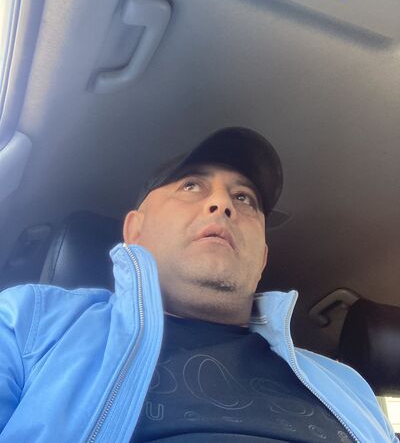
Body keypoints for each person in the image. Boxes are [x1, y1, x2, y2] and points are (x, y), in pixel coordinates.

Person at [0, 127, 396, 442]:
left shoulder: (346, 385)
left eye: (244, 198)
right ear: (135, 231)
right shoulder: (30, 322)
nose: (222, 204)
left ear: (261, 258)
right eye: (191, 186)